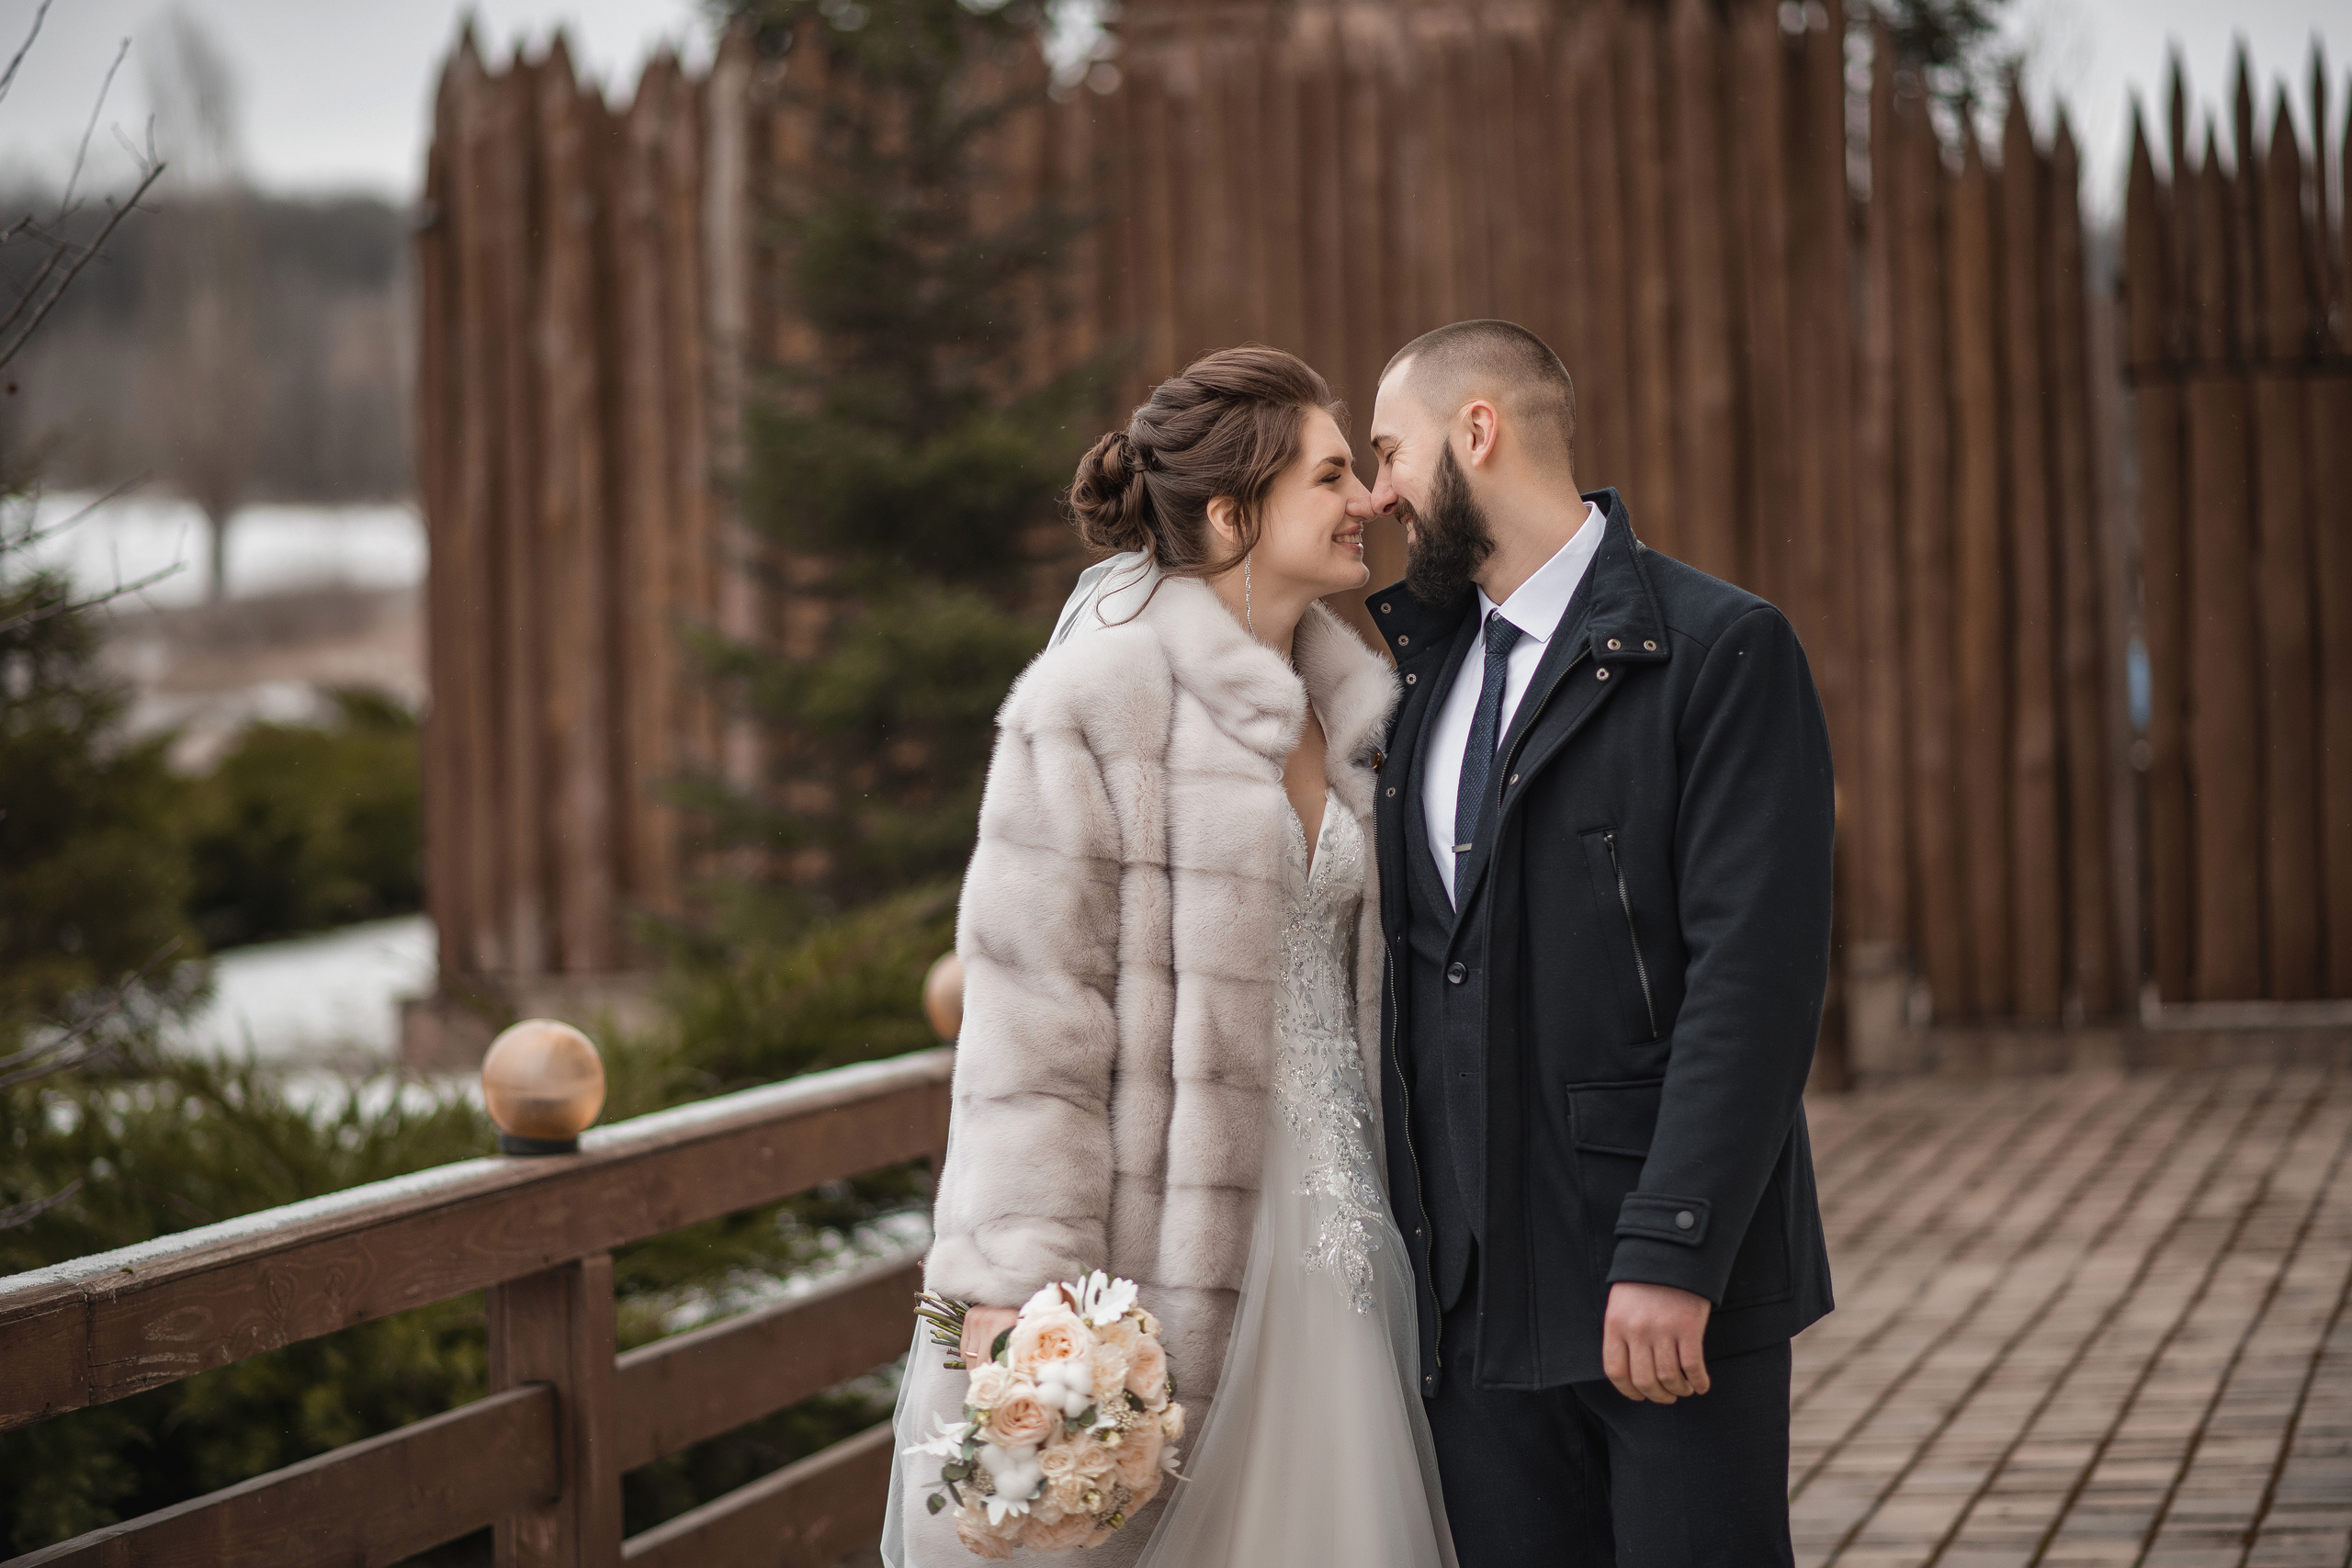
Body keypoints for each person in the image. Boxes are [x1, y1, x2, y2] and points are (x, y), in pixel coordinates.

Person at [884, 345, 1456, 1567]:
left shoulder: (1360, 717)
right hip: (1177, 1244)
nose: (1370, 502)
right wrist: (1018, 1290)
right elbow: (1031, 1027)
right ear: (1231, 513)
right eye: (1332, 475)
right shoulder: (1093, 704)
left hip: (1349, 1229)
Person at [1362, 320, 1836, 1567]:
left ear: (1479, 432)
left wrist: (1673, 1248)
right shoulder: (1417, 676)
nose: (1376, 493)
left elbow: (1756, 980)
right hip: (1470, 1310)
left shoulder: (1720, 650)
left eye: (1389, 450)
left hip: (1660, 1293)